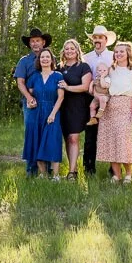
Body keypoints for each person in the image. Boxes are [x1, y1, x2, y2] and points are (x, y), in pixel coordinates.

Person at [97, 42, 132, 184]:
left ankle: (128, 174)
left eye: (121, 52)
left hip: (126, 107)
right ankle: (116, 175)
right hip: (110, 107)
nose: (118, 54)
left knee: (124, 142)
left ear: (128, 53)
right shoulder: (110, 69)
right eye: (116, 52)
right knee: (111, 141)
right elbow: (102, 85)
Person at [14, 28, 52, 177]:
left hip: (48, 102)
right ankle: (31, 169)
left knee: (46, 133)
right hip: (31, 103)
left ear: (43, 42)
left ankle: (47, 169)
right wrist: (29, 98)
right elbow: (20, 82)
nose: (35, 43)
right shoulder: (24, 61)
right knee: (31, 133)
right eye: (33, 41)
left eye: (38, 40)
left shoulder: (50, 58)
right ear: (30, 44)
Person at [22, 48, 65, 180]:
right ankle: (42, 174)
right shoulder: (34, 76)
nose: (45, 59)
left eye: (47, 57)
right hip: (36, 112)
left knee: (53, 141)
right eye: (42, 57)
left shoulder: (58, 76)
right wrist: (30, 102)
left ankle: (56, 176)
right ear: (39, 60)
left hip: (52, 111)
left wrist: (53, 114)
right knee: (37, 140)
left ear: (52, 60)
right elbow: (30, 95)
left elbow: (61, 97)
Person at [56, 39, 92, 181]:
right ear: (63, 51)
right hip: (62, 105)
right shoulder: (58, 67)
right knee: (66, 138)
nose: (69, 51)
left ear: (77, 51)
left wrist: (68, 87)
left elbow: (84, 86)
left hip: (77, 106)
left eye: (72, 48)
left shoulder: (83, 66)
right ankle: (73, 167)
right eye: (67, 49)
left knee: (73, 137)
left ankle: (72, 173)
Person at [83, 25, 116, 175]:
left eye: (100, 37)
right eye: (95, 37)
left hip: (109, 99)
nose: (97, 40)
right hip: (91, 98)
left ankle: (113, 169)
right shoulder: (86, 57)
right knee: (91, 134)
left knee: (110, 134)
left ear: (106, 40)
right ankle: (89, 167)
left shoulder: (113, 56)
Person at [86, 61, 111, 125]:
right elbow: (93, 83)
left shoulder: (107, 78)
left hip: (105, 95)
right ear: (97, 71)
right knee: (91, 106)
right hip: (96, 97)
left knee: (102, 99)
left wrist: (102, 77)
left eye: (104, 70)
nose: (102, 72)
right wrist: (91, 87)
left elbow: (103, 85)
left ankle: (101, 110)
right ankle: (93, 119)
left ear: (108, 71)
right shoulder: (96, 78)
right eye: (100, 70)